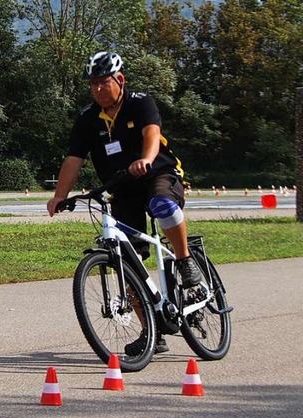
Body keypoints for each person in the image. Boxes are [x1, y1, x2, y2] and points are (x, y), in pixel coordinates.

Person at [46, 51, 204, 355]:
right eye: (92, 84)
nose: (97, 89)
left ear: (120, 80)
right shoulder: (87, 119)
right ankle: (152, 332)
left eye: (103, 83)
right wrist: (60, 196)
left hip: (158, 173)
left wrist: (146, 159)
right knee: (126, 261)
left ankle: (184, 260)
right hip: (122, 187)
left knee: (162, 204)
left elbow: (152, 134)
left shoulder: (140, 102)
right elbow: (73, 159)